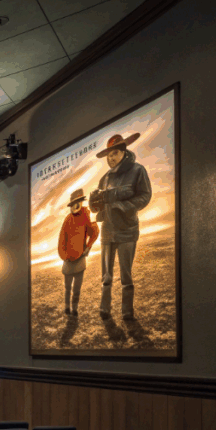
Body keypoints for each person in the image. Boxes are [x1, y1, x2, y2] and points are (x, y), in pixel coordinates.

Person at [89, 133, 152, 321]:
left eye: (115, 153)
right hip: (107, 231)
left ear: (124, 153)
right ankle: (104, 309)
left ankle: (126, 312)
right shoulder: (105, 178)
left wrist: (124, 206)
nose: (111, 158)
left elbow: (145, 196)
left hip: (127, 230)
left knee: (126, 275)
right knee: (106, 276)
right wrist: (94, 203)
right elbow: (98, 207)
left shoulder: (138, 170)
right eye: (108, 155)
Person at [57, 189, 99, 317]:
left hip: (80, 259)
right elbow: (61, 240)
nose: (75, 205)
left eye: (78, 202)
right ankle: (67, 307)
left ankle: (74, 309)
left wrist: (87, 247)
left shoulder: (86, 215)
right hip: (68, 260)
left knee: (76, 289)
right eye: (73, 203)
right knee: (68, 287)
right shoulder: (67, 219)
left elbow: (94, 232)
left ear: (81, 202)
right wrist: (64, 256)